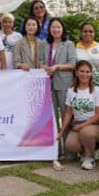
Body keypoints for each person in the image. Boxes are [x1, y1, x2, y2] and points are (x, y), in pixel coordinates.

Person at [40, 18, 77, 170]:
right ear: (49, 30)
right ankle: (55, 151)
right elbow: (40, 62)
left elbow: (73, 64)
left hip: (64, 84)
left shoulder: (69, 44)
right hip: (48, 84)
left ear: (62, 29)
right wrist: (45, 67)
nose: (55, 29)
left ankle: (70, 151)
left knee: (67, 117)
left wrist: (56, 67)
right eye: (53, 27)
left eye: (58, 27)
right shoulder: (44, 44)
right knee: (53, 118)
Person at [59, 60, 99, 170]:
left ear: (91, 73)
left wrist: (81, 126)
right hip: (78, 124)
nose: (85, 74)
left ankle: (90, 157)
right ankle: (87, 151)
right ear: (76, 72)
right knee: (70, 145)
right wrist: (62, 130)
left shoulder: (96, 90)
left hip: (96, 124)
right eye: (82, 71)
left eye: (87, 72)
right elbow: (69, 112)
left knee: (86, 133)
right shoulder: (71, 91)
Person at [76, 22, 99, 89]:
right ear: (81, 33)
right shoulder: (74, 48)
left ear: (94, 33)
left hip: (98, 86)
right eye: (85, 31)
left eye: (91, 31)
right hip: (80, 86)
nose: (88, 34)